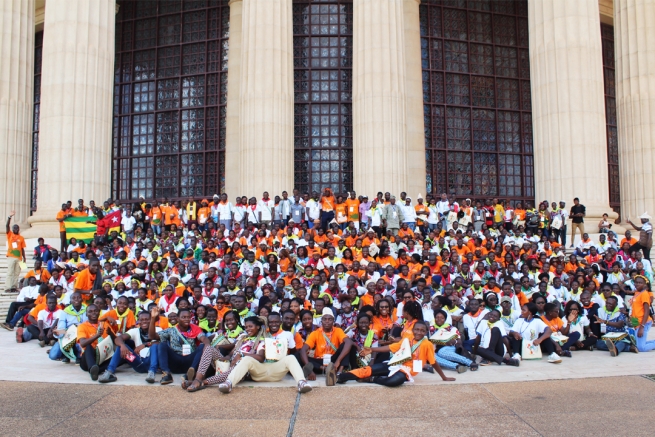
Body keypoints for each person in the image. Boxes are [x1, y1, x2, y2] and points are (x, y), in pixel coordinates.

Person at [337, 320, 455, 386]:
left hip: (406, 371)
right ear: (413, 330)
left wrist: (444, 377)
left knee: (394, 381)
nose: (419, 332)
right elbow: (391, 347)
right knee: (367, 369)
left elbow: (433, 362)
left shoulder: (427, 344)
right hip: (394, 363)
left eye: (422, 330)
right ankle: (340, 377)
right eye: (417, 329)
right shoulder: (407, 339)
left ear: (426, 332)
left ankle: (373, 379)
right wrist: (372, 349)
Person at [217, 312, 312, 394]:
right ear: (267, 324)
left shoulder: (286, 335)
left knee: (291, 357)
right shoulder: (261, 334)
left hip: (276, 369)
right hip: (260, 370)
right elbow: (252, 330)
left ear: (280, 322)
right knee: (247, 359)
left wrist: (285, 348)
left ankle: (302, 382)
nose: (273, 324)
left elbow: (295, 352)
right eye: (271, 322)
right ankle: (229, 383)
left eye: (276, 322)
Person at [147, 307, 209, 385]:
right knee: (162, 345)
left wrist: (207, 345)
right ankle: (166, 374)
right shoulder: (171, 330)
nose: (187, 319)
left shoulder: (195, 329)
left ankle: (190, 373)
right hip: (175, 361)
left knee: (202, 346)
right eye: (183, 317)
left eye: (188, 317)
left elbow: (203, 338)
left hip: (189, 361)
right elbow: (152, 336)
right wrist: (153, 319)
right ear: (178, 319)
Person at [98, 310, 161, 383]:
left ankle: (151, 373)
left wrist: (145, 344)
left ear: (151, 320)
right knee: (122, 347)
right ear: (138, 321)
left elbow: (162, 343)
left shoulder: (158, 330)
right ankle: (109, 372)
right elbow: (118, 338)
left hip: (152, 362)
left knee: (154, 346)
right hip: (139, 363)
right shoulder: (135, 331)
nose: (144, 321)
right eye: (142, 320)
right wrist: (122, 345)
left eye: (147, 319)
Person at [299, 308, 355, 386]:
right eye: (325, 319)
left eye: (330, 319)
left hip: (334, 361)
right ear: (321, 321)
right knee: (298, 355)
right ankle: (324, 369)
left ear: (333, 321)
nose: (327, 321)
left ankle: (339, 373)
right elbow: (303, 350)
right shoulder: (315, 333)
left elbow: (349, 342)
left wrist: (337, 361)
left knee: (346, 345)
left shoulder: (338, 330)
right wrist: (309, 370)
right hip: (320, 362)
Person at [77, 304, 110, 380]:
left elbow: (114, 340)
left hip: (103, 357)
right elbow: (82, 343)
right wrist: (98, 335)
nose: (93, 313)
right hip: (87, 359)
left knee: (121, 355)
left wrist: (111, 334)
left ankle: (96, 370)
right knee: (88, 346)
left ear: (99, 312)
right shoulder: (82, 326)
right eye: (90, 311)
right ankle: (92, 368)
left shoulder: (105, 324)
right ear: (86, 314)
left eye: (95, 311)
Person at [4, 211, 26, 293]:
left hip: (19, 258)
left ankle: (13, 287)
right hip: (11, 256)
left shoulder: (21, 238)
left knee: (17, 273)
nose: (16, 229)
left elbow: (22, 248)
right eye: (14, 228)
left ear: (19, 229)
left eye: (17, 228)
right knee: (10, 272)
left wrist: (24, 258)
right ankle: (7, 287)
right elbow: (7, 226)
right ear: (13, 229)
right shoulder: (10, 235)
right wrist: (9, 217)